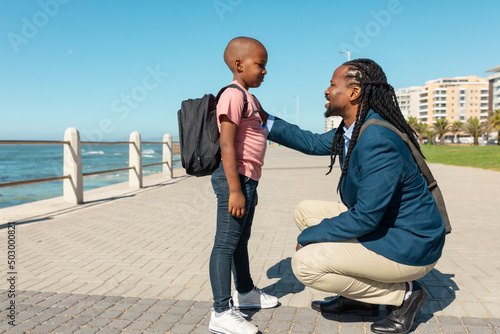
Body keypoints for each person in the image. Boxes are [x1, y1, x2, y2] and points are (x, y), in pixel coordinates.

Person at [260, 59, 446, 334]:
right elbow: (311, 142)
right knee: (305, 210)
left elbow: (366, 218)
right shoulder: (355, 129)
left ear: (355, 92)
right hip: (389, 227)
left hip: (411, 244)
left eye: (333, 85)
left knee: (306, 264)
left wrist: (308, 237)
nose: (326, 91)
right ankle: (362, 299)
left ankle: (406, 295)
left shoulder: (376, 139)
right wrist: (263, 119)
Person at [208, 36, 279, 334]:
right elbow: (227, 143)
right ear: (239, 65)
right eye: (260, 65)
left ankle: (246, 292)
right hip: (233, 180)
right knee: (225, 244)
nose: (265, 71)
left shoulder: (251, 98)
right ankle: (221, 311)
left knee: (240, 240)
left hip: (247, 180)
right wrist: (236, 190)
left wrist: (251, 188)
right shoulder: (233, 96)